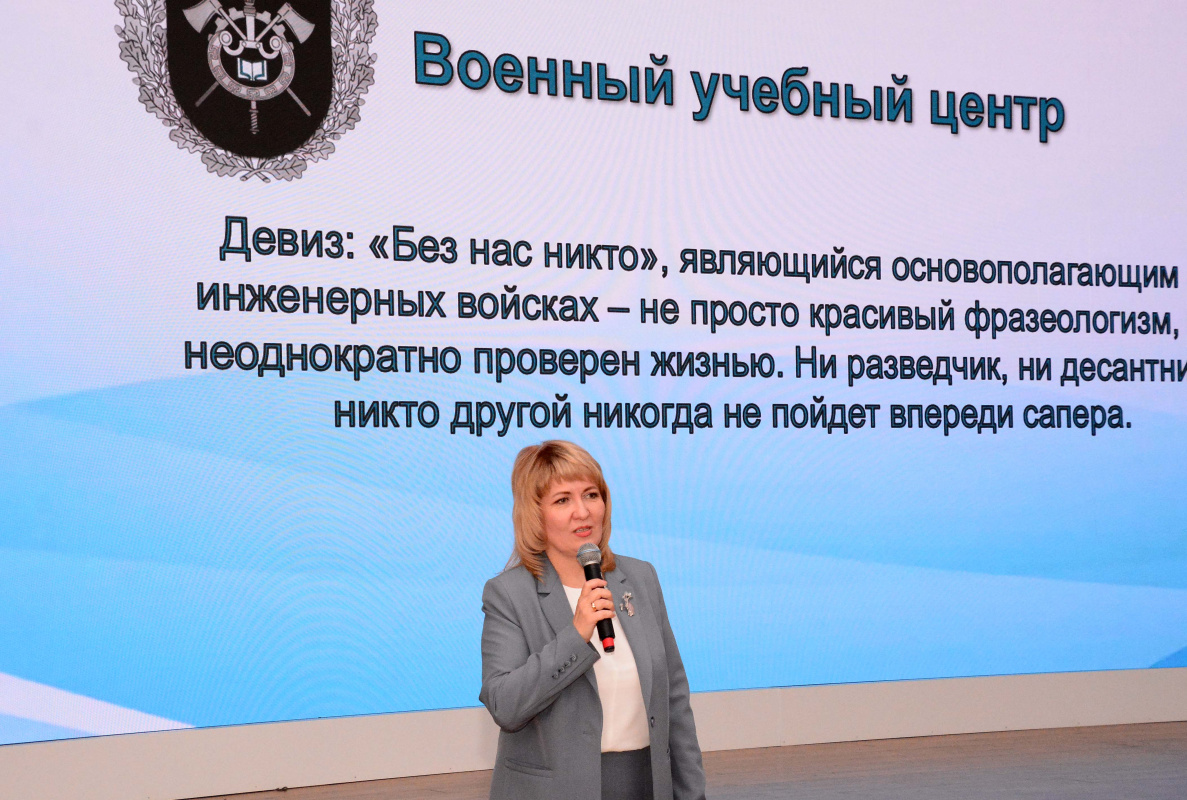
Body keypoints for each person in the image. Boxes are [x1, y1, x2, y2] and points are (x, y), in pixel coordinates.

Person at [479, 440, 707, 800]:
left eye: (591, 495)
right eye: (562, 500)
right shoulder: (509, 594)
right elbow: (504, 705)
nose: (582, 512)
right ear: (535, 515)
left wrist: (692, 794)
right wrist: (576, 634)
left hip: (646, 784)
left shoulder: (640, 577)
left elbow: (674, 699)